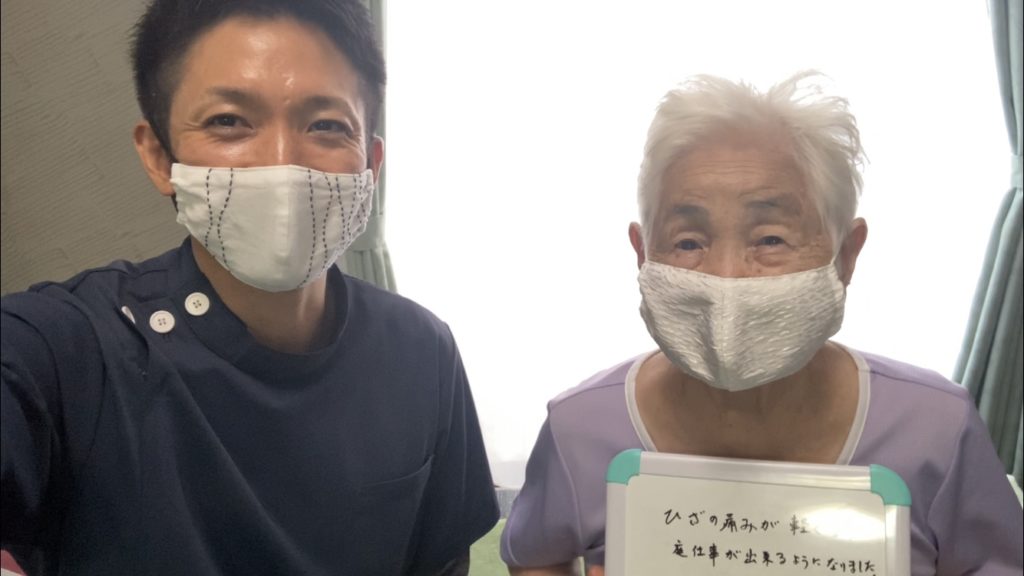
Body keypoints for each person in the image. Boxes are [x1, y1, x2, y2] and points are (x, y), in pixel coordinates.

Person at [0, 0, 498, 573]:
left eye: (327, 125)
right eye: (228, 122)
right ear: (159, 156)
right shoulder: (70, 350)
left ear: (371, 163)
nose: (280, 164)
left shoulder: (421, 351)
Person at [500, 72, 1023, 575]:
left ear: (846, 254)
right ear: (642, 254)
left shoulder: (936, 428)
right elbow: (535, 554)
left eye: (770, 239)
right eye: (688, 242)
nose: (727, 278)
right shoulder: (579, 429)